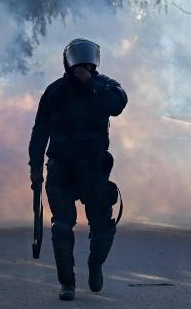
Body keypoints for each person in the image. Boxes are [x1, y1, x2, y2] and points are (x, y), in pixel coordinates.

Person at [28, 38, 128, 300]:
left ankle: (95, 265)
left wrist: (91, 83)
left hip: (93, 168)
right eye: (79, 64)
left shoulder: (105, 87)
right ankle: (67, 283)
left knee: (102, 225)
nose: (84, 68)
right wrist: (35, 169)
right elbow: (40, 133)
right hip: (61, 168)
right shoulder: (55, 92)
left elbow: (118, 104)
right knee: (62, 226)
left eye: (88, 64)